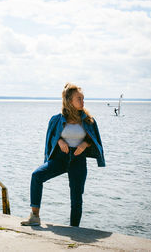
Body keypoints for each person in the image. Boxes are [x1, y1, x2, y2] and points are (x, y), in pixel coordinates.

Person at [21, 83, 105, 227]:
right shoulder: (57, 119)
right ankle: (35, 216)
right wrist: (59, 141)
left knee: (76, 198)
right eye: (79, 99)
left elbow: (94, 139)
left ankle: (74, 229)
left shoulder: (88, 120)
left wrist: (85, 144)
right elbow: (51, 136)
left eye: (83, 99)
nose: (82, 102)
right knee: (36, 176)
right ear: (69, 101)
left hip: (78, 160)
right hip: (60, 158)